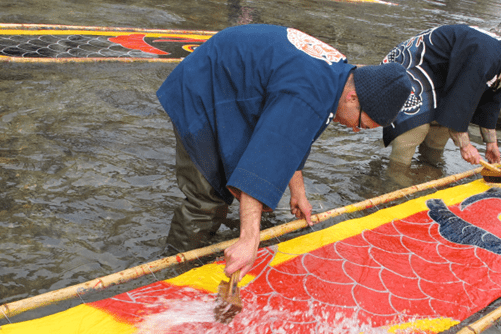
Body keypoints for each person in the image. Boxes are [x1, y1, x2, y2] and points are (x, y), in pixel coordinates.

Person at [156, 24, 411, 281]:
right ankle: (175, 272)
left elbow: (295, 136)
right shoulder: (309, 95)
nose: (356, 130)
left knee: (250, 187)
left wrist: (297, 192)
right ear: (353, 98)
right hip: (204, 85)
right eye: (361, 124)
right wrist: (249, 240)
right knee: (208, 199)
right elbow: (263, 161)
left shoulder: (338, 75)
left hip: (238, 83)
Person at [380, 25, 501, 169]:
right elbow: (460, 101)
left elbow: (490, 105)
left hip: (439, 77)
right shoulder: (485, 55)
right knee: (416, 126)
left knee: (440, 130)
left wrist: (491, 143)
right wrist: (465, 146)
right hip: (409, 65)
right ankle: (397, 175)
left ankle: (429, 168)